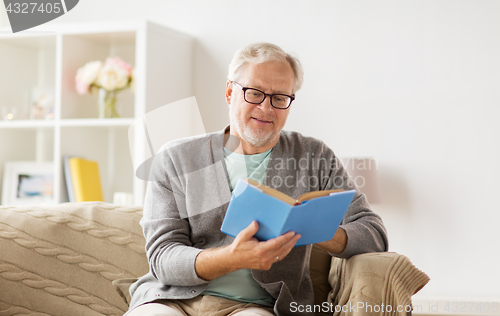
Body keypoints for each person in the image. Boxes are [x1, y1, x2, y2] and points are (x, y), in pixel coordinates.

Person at [126, 42, 388, 316]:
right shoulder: (176, 158)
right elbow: (162, 256)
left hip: (258, 307)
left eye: (279, 98)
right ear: (230, 92)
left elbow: (374, 233)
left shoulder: (313, 156)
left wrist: (319, 229)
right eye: (254, 93)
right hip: (171, 300)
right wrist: (229, 259)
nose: (266, 108)